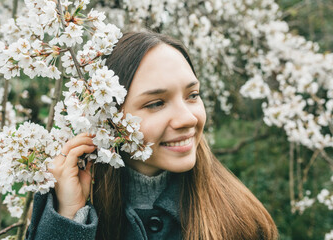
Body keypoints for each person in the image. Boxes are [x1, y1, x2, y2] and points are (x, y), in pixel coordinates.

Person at [26, 31, 278, 240]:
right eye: (156, 103)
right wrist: (70, 216)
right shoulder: (65, 213)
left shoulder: (240, 221)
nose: (188, 118)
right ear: (106, 117)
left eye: (192, 95)